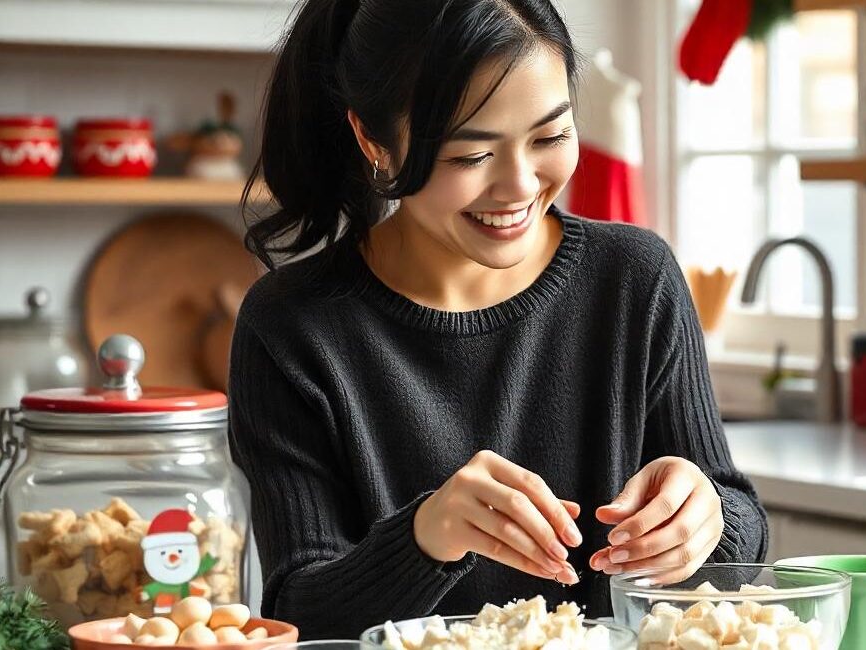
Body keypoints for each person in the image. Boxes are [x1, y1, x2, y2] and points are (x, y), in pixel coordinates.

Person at [228, 0, 767, 640]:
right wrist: (426, 536)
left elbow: (743, 532)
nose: (518, 187)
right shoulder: (291, 325)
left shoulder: (634, 280)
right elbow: (297, 611)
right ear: (374, 141)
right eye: (469, 155)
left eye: (550, 137)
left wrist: (708, 516)